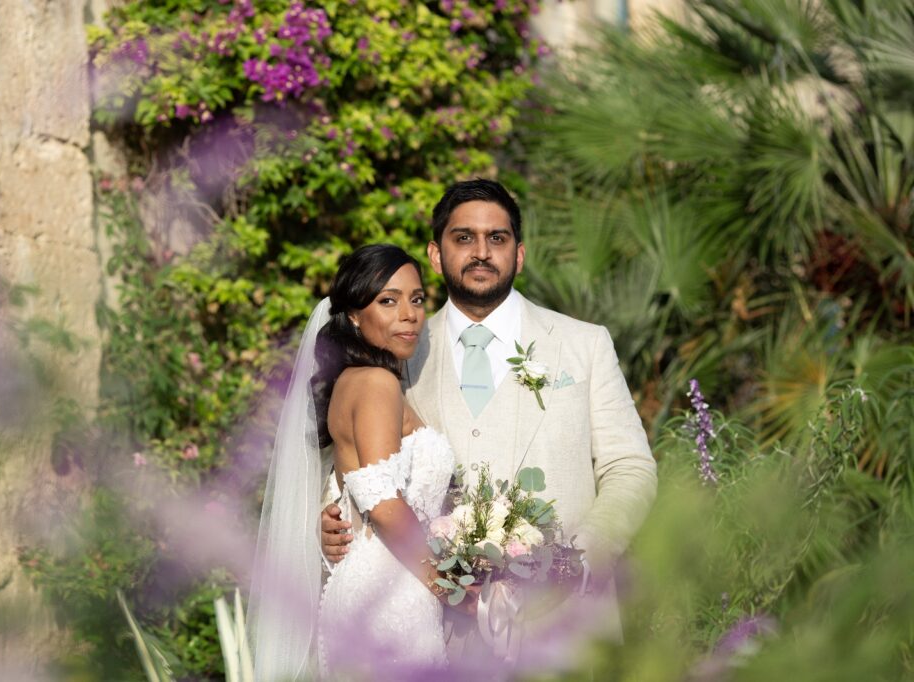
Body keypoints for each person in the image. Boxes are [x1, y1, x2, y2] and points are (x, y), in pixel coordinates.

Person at [321, 179, 658, 668]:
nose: (481, 252)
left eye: (496, 239)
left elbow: (630, 468)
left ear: (518, 255)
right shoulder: (396, 350)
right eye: (464, 238)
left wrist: (577, 563)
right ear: (436, 255)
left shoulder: (583, 344)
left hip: (562, 624)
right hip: (437, 631)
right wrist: (330, 517)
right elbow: (356, 462)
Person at [248, 244, 461, 680]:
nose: (409, 313)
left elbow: (348, 484)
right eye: (388, 300)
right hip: (392, 592)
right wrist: (449, 585)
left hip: (377, 583)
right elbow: (381, 502)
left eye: (417, 299)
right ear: (353, 316)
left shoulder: (353, 381)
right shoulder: (377, 383)